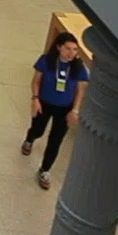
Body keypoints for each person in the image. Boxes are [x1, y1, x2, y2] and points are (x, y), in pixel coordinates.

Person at [22, 31, 90, 189]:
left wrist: (75, 110)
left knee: (55, 141)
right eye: (68, 48)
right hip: (44, 103)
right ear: (59, 47)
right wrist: (35, 99)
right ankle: (30, 139)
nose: (71, 53)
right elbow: (36, 81)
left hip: (64, 109)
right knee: (38, 129)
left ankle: (45, 170)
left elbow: (80, 91)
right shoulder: (46, 61)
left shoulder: (79, 67)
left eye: (74, 49)